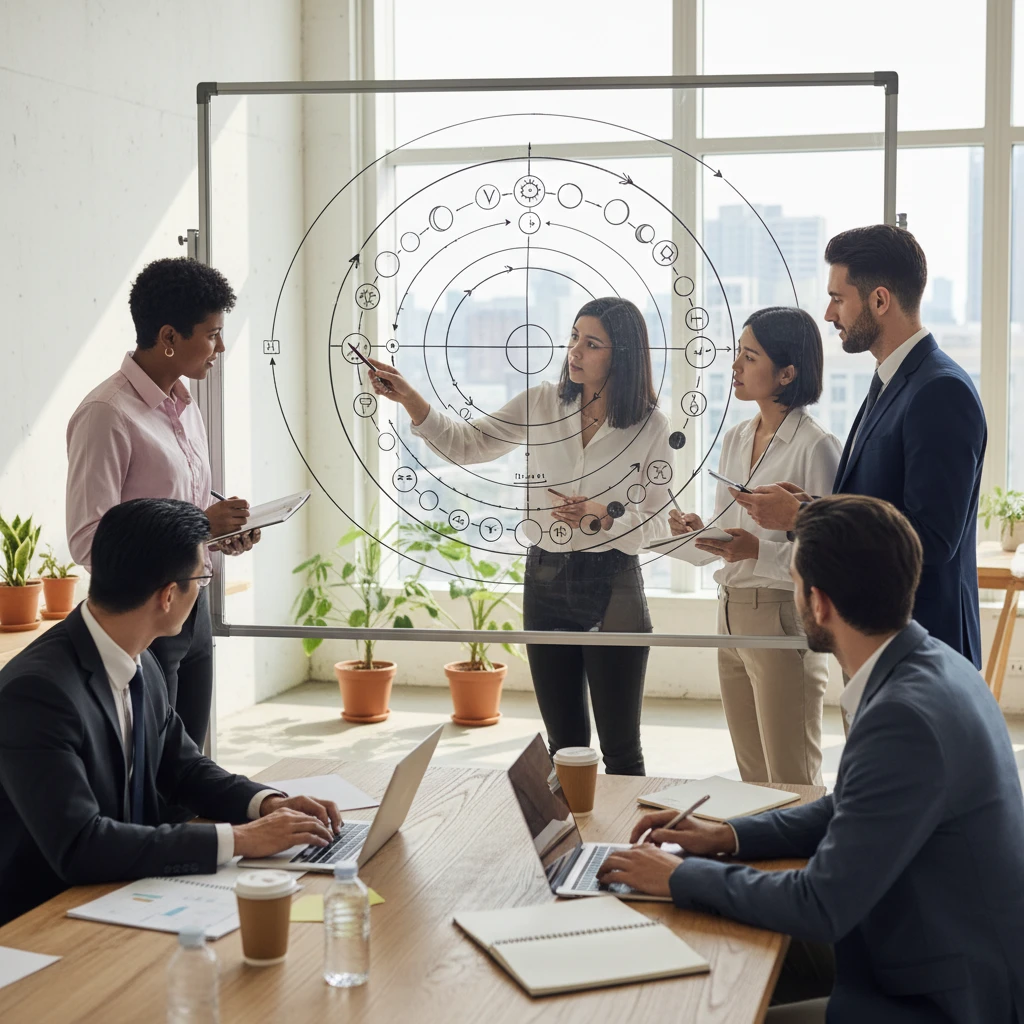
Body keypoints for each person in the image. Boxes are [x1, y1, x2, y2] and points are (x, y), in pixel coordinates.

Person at [598, 495, 1024, 1024]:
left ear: (818, 603)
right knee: (691, 946)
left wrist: (678, 878)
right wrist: (726, 837)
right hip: (921, 946)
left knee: (688, 979)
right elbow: (846, 808)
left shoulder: (904, 717)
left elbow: (820, 904)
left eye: (795, 584)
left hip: (935, 998)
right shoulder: (933, 664)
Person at [0, 499, 341, 927]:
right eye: (201, 577)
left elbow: (183, 768)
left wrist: (266, 804)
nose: (202, 588)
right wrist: (238, 839)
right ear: (167, 596)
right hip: (40, 921)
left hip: (119, 893)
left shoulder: (140, 658)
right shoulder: (39, 693)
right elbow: (80, 845)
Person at [368, 297, 671, 775]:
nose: (574, 351)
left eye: (592, 344)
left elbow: (660, 521)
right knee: (564, 745)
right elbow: (469, 445)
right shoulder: (540, 402)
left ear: (624, 355)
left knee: (621, 749)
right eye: (574, 337)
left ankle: (623, 849)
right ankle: (571, 847)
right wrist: (410, 398)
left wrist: (604, 517)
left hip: (616, 584)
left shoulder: (651, 426)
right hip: (547, 579)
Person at [731, 226, 987, 668]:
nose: (829, 314)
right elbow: (880, 505)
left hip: (922, 646)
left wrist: (803, 517)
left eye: (838, 298)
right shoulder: (890, 380)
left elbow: (931, 538)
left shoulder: (940, 391)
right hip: (882, 641)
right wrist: (812, 505)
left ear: (880, 300)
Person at [66, 257, 261, 749]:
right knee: (153, 772)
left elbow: (182, 509)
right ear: (169, 336)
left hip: (192, 608)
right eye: (213, 334)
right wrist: (200, 524)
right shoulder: (106, 415)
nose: (221, 348)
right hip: (143, 619)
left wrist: (220, 534)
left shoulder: (185, 404)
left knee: (190, 765)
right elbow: (90, 541)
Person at [669, 307, 841, 786]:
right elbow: (735, 536)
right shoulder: (736, 437)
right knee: (752, 778)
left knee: (792, 776)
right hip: (729, 612)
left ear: (787, 373)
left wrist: (756, 552)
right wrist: (703, 530)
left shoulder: (816, 447)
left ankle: (807, 863)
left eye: (749, 356)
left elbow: (828, 558)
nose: (735, 367)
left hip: (783, 613)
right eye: (737, 354)